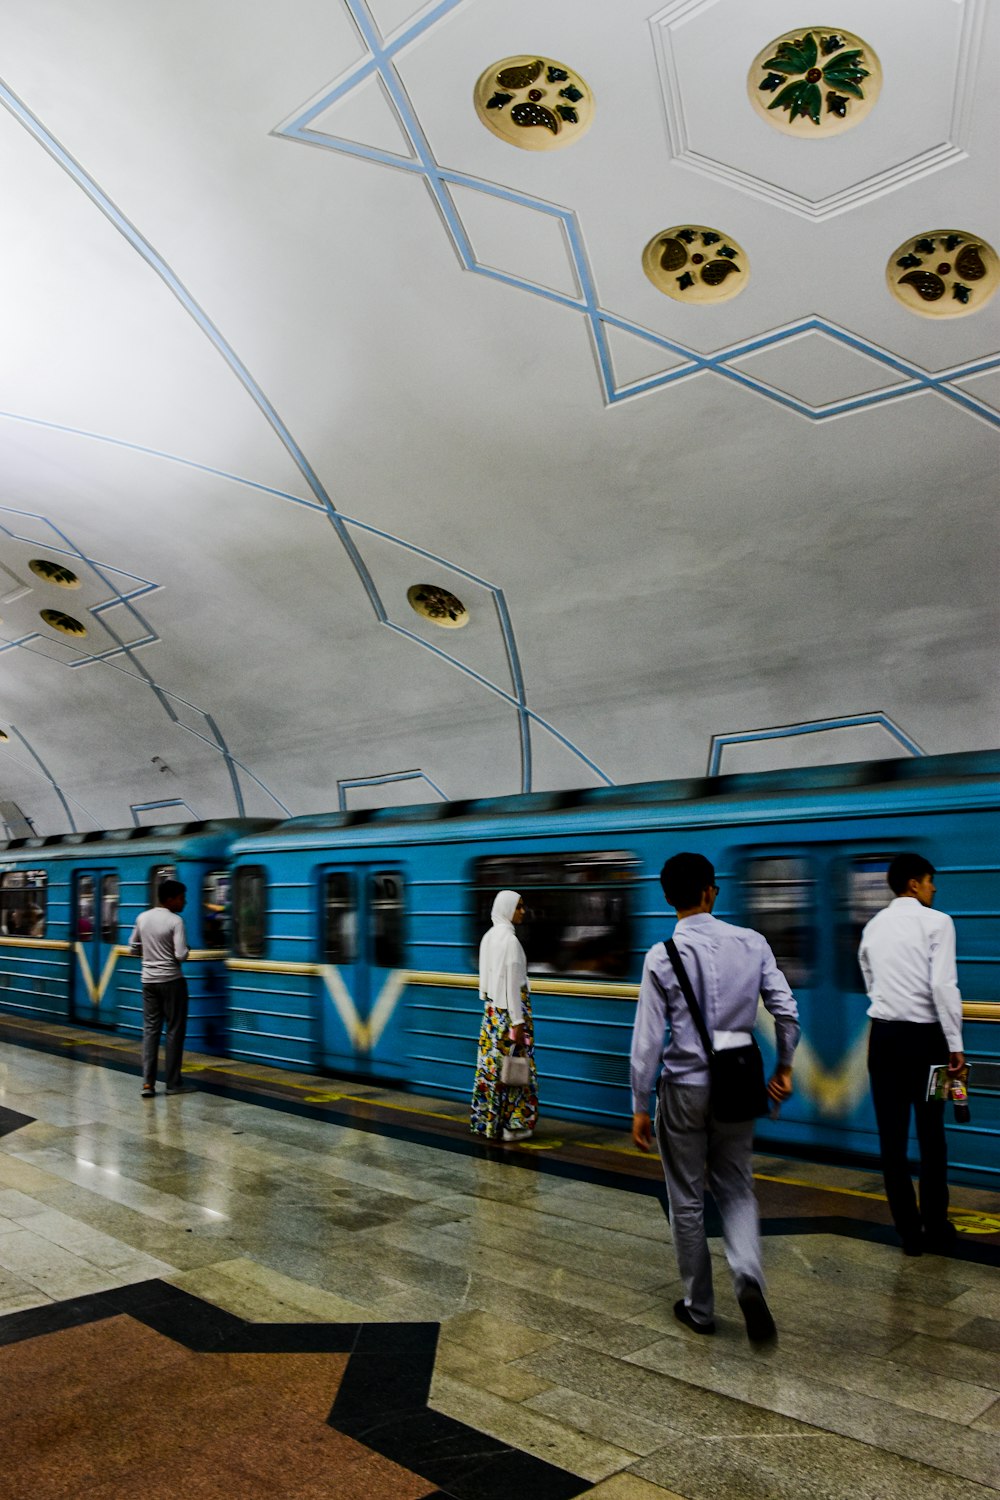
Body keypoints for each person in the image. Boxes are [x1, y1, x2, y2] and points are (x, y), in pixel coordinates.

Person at [631, 852, 800, 1343]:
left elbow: (646, 1043)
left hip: (682, 1090)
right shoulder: (752, 943)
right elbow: (787, 1013)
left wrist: (640, 1106)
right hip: (738, 1085)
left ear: (668, 898)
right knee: (736, 1187)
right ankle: (747, 1274)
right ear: (711, 890)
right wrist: (784, 1067)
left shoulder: (661, 955)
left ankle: (699, 1308)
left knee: (686, 1199)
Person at [859, 852, 964, 1256]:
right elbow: (943, 987)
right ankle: (935, 1225)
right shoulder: (938, 923)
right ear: (915, 884)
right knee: (932, 1135)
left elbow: (869, 976)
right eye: (930, 881)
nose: (934, 888)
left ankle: (909, 1234)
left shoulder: (873, 926)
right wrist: (955, 1044)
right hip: (930, 1048)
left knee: (892, 1139)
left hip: (883, 1042)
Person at [470, 890, 538, 1142]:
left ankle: (488, 1123)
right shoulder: (510, 941)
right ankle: (515, 1125)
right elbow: (512, 985)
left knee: (492, 1070)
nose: (522, 911)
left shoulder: (488, 937)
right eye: (518, 907)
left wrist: (495, 1009)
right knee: (517, 1070)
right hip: (512, 1016)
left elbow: (485, 983)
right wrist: (518, 1022)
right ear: (507, 908)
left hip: (492, 1015)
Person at [129, 879, 193, 1099]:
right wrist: (186, 951)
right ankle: (174, 1083)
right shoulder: (176, 921)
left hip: (148, 981)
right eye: (181, 898)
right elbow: (181, 955)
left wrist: (148, 955)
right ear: (170, 899)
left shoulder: (142, 918)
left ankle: (148, 1084)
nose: (184, 902)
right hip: (172, 981)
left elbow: (132, 947)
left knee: (150, 1031)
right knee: (174, 1031)